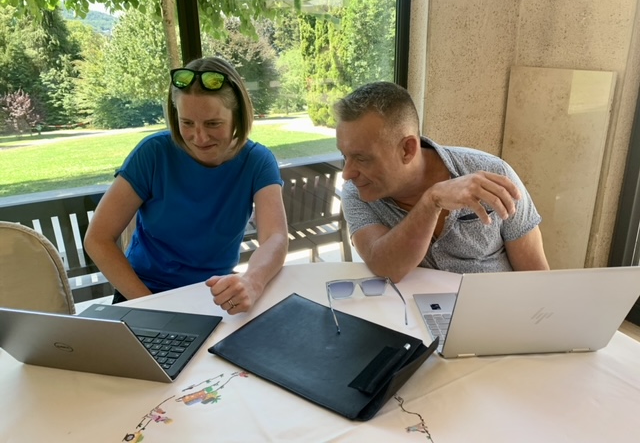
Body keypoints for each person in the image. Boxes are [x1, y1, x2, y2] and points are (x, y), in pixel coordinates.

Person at [84, 57, 288, 314]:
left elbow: (275, 237)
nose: (199, 137)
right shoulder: (153, 153)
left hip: (213, 295)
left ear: (237, 116)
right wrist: (151, 306)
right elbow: (98, 238)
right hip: (142, 292)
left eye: (213, 124)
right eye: (187, 123)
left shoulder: (258, 160)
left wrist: (252, 282)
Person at [334, 81, 549, 283]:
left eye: (362, 158)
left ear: (407, 149)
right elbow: (386, 267)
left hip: (496, 315)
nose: (347, 173)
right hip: (408, 320)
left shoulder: (493, 173)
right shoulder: (357, 193)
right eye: (345, 156)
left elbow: (537, 278)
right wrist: (431, 201)